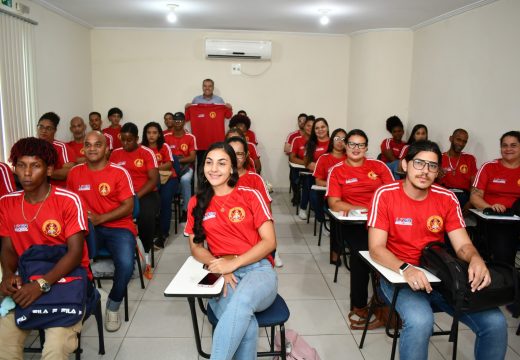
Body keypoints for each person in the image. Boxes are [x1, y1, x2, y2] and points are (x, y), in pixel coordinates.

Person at [368, 140, 507, 360]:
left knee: (495, 323)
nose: (425, 171)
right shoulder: (385, 194)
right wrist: (406, 269)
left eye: (432, 166)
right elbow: (376, 248)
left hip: (440, 272)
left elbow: (462, 245)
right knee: (421, 321)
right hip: (398, 274)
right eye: (419, 163)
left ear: (438, 172)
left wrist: (476, 259)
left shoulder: (446, 197)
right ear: (404, 165)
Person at [184, 142, 277, 359]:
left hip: (259, 270)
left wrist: (232, 263)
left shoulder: (251, 195)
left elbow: (269, 242)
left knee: (242, 302)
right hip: (221, 271)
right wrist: (220, 267)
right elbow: (196, 248)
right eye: (209, 162)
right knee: (249, 326)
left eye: (222, 163)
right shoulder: (196, 203)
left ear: (232, 168)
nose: (214, 169)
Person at [0, 137, 91, 359]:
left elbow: (75, 253)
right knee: (3, 344)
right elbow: (8, 249)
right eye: (21, 165)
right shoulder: (7, 202)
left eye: (35, 165)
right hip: (27, 278)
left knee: (55, 349)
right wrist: (9, 274)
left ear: (49, 169)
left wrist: (41, 285)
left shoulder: (69, 200)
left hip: (66, 279)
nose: (27, 173)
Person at [67, 131, 136, 332]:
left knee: (125, 264)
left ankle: (113, 304)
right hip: (88, 228)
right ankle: (88, 295)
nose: (92, 148)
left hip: (118, 226)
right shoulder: (74, 173)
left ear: (106, 148)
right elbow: (70, 204)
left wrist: (101, 218)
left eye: (97, 144)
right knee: (69, 258)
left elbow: (129, 206)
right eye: (88, 145)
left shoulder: (118, 172)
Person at [327, 129, 394, 318]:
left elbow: (392, 193)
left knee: (396, 250)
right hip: (354, 222)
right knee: (362, 254)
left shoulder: (379, 166)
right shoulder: (337, 171)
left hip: (382, 220)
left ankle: (386, 302)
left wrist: (378, 212)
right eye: (352, 144)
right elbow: (334, 203)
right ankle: (359, 304)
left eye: (361, 145)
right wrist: (362, 208)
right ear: (345, 146)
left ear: (366, 147)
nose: (356, 148)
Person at [225, 136, 283, 267]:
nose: (235, 157)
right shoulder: (217, 179)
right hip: (227, 239)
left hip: (253, 236)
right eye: (231, 153)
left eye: (239, 154)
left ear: (246, 156)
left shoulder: (255, 179)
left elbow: (267, 214)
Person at [110, 123, 159, 278]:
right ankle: (119, 252)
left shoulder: (146, 152)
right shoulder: (115, 154)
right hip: (121, 196)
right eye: (123, 140)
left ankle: (146, 254)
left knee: (146, 217)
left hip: (145, 194)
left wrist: (135, 196)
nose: (125, 144)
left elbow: (153, 180)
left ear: (137, 139)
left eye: (129, 140)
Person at [470, 130, 520, 265]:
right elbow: (475, 197)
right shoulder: (489, 167)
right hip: (496, 220)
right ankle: (506, 277)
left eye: (513, 145)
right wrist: (490, 208)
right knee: (503, 250)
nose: (508, 149)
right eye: (505, 145)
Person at [142, 122, 178, 248]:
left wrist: (153, 168)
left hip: (168, 178)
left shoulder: (164, 146)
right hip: (151, 179)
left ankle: (163, 233)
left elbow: (169, 164)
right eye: (148, 132)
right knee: (149, 201)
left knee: (165, 200)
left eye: (154, 133)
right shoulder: (142, 148)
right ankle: (150, 231)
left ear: (159, 134)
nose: (151, 135)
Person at [186, 79, 233, 166]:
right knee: (201, 164)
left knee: (216, 164)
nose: (207, 88)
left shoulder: (219, 101)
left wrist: (229, 108)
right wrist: (187, 108)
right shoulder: (196, 100)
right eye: (205, 86)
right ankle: (201, 180)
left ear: (213, 88)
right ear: (202, 87)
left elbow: (228, 116)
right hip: (200, 141)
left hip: (216, 140)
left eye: (209, 86)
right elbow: (187, 117)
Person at [311, 128, 347, 233]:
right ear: (332, 140)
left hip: (347, 192)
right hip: (330, 192)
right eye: (337, 138)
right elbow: (318, 181)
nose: (340, 141)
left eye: (343, 139)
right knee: (315, 195)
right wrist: (335, 185)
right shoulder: (324, 158)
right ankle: (324, 220)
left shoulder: (350, 158)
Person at [164, 112, 197, 222]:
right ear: (172, 122)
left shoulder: (190, 137)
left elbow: (192, 158)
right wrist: (174, 162)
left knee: (185, 180)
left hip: (186, 167)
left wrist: (177, 161)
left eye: (180, 120)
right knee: (162, 180)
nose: (178, 122)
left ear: (184, 122)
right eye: (175, 120)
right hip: (170, 167)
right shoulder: (166, 137)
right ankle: (162, 210)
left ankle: (186, 210)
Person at [297, 117, 330, 220]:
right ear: (314, 131)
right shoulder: (310, 144)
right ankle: (321, 220)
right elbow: (307, 162)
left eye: (323, 127)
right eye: (317, 128)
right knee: (312, 191)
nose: (320, 130)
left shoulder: (334, 143)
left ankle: (329, 215)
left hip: (332, 176)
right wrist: (320, 168)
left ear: (327, 128)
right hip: (315, 175)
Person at [439, 129, 477, 209]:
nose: (461, 144)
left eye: (464, 141)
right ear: (451, 138)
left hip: (463, 197)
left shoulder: (470, 159)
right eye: (458, 139)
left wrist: (471, 202)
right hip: (444, 195)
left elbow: (474, 185)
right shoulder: (439, 158)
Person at [37, 112, 76, 188]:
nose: (44, 131)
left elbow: (68, 172)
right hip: (36, 190)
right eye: (41, 127)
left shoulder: (62, 147)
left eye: (48, 128)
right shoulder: (30, 146)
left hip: (56, 190)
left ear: (55, 130)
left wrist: (43, 172)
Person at [289, 116, 314, 206]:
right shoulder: (297, 139)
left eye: (313, 126)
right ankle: (297, 195)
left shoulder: (318, 140)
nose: (310, 128)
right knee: (294, 173)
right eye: (308, 125)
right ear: (304, 126)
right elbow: (292, 158)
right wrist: (306, 163)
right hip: (300, 167)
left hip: (314, 170)